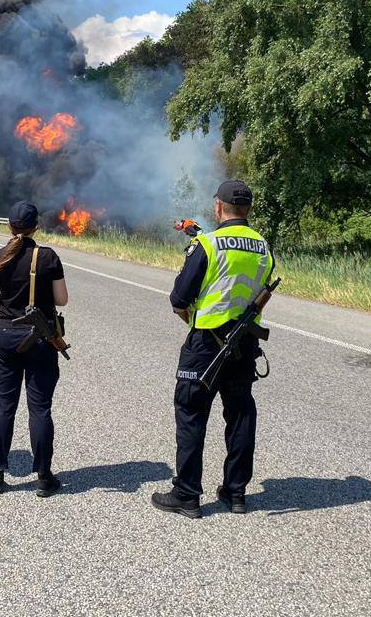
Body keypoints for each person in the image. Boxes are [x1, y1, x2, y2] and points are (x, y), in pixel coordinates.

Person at [151, 180, 275, 518]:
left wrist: (190, 318)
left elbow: (179, 299)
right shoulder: (264, 247)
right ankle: (235, 493)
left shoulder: (207, 243)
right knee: (240, 414)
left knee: (191, 413)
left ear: (217, 207)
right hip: (245, 342)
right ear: (248, 209)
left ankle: (187, 494)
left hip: (206, 343)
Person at [0, 201, 69, 498]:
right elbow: (62, 299)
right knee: (40, 409)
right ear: (35, 228)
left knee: (4, 406)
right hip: (41, 339)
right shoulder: (48, 257)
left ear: (9, 226)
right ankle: (44, 477)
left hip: (5, 335)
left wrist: (8, 304)